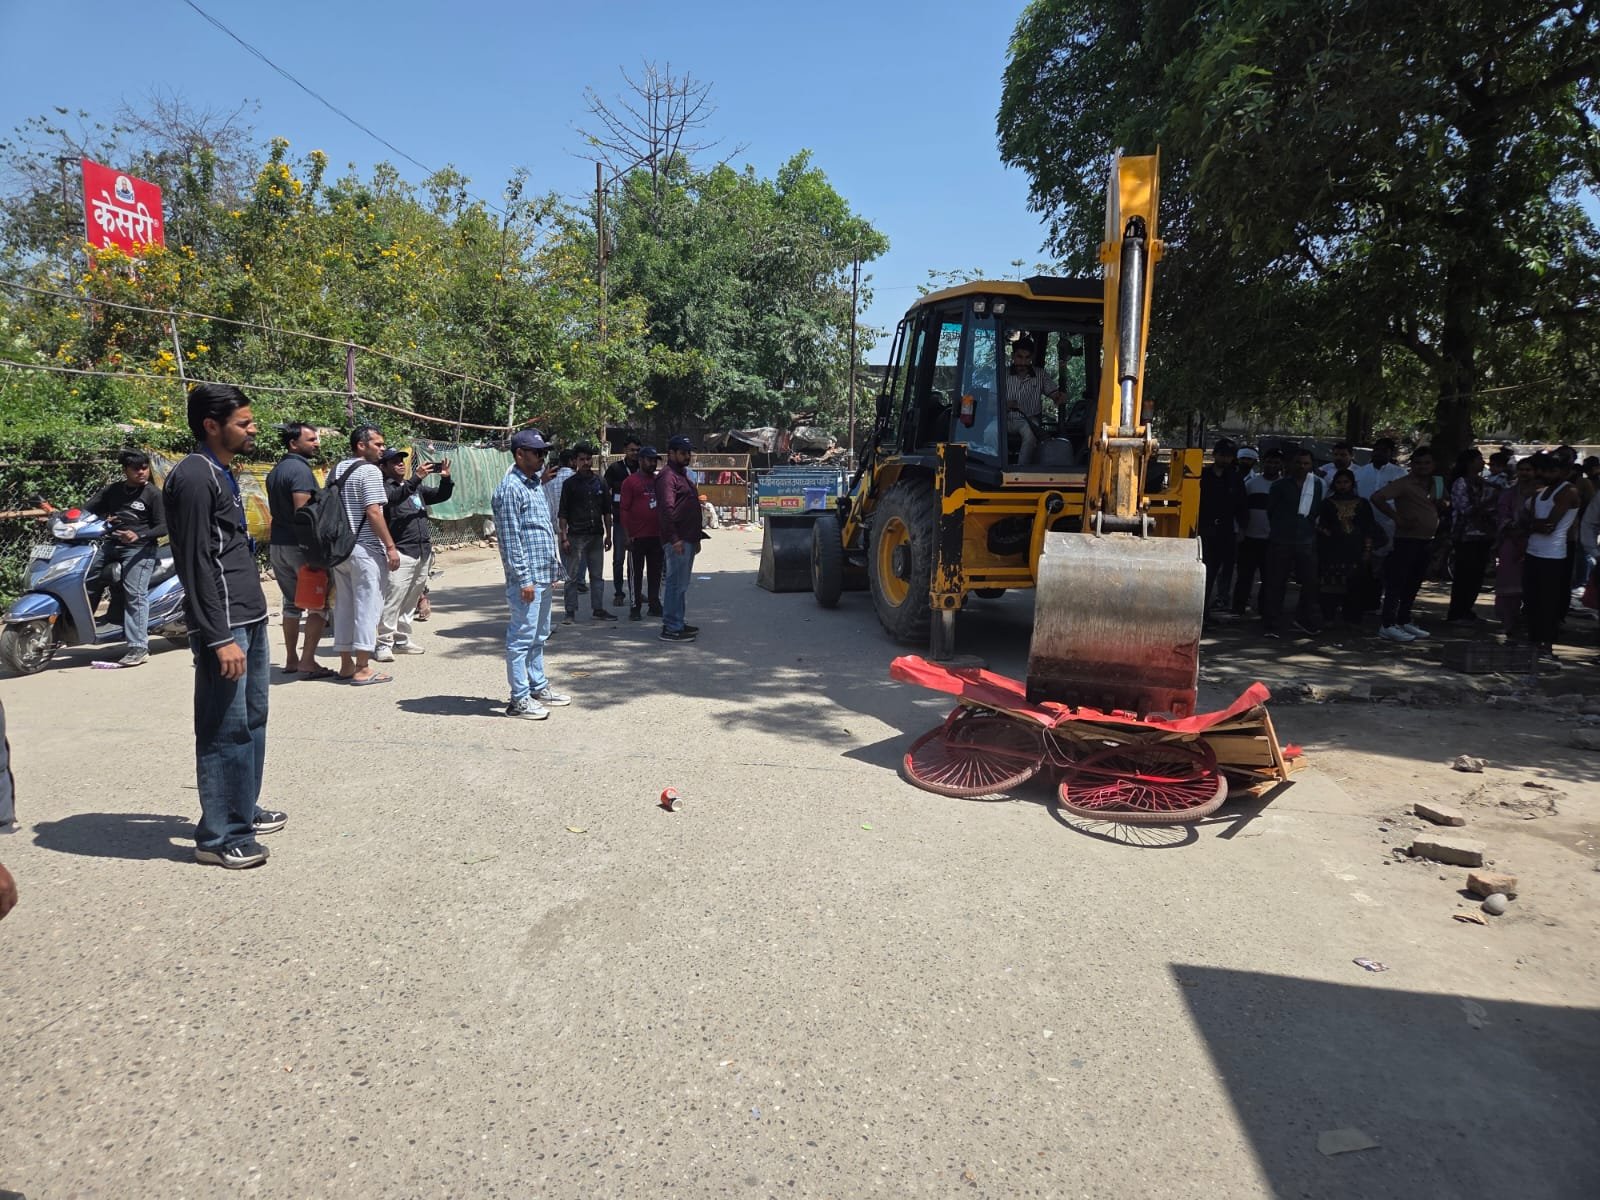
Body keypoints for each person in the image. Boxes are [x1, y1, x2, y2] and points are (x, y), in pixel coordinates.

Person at [162, 383, 286, 869]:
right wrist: (217, 637)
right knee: (224, 729)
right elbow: (196, 562)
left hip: (249, 615)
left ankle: (242, 809)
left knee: (252, 720)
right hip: (225, 625)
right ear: (211, 425)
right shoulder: (195, 477)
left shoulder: (222, 472)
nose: (253, 429)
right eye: (244, 422)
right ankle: (220, 836)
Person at [492, 430, 571, 720]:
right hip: (526, 580)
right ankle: (519, 699)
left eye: (544, 452)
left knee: (539, 635)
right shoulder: (510, 489)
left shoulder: (535, 484)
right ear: (519, 454)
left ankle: (537, 686)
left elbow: (541, 529)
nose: (542, 457)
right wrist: (524, 579)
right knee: (521, 638)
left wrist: (551, 570)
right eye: (537, 452)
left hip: (542, 575)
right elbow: (511, 540)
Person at [329, 425, 402, 685]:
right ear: (362, 445)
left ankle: (346, 665)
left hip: (340, 549)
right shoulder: (370, 471)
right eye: (378, 444)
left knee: (344, 607)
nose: (382, 449)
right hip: (365, 549)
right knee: (368, 608)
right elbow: (373, 512)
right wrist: (390, 547)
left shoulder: (337, 469)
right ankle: (362, 667)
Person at [84, 449, 167, 667]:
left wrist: (139, 535)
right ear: (125, 470)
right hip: (111, 545)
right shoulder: (113, 491)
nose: (142, 472)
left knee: (135, 593)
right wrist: (103, 518)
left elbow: (164, 527)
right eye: (136, 469)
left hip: (140, 548)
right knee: (86, 578)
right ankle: (81, 628)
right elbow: (87, 511)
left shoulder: (153, 494)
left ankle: (139, 647)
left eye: (145, 468)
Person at [263, 421, 333, 678]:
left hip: (279, 545)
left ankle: (292, 659)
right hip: (300, 547)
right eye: (311, 439)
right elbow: (303, 514)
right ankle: (307, 661)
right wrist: (316, 551)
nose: (317, 443)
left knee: (291, 605)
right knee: (318, 605)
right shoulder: (300, 471)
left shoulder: (277, 470)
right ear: (294, 443)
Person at [376, 448, 453, 661]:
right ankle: (383, 643)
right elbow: (393, 499)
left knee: (411, 598)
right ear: (383, 467)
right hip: (401, 552)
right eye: (394, 462)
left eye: (402, 460)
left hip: (422, 551)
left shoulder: (414, 488)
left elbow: (441, 495)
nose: (400, 463)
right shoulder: (384, 488)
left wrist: (446, 478)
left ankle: (401, 640)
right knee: (393, 598)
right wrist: (416, 478)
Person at [1371, 446, 1443, 642]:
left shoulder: (1437, 482)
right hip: (1406, 540)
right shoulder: (1403, 483)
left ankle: (1404, 619)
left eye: (1427, 463)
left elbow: (1441, 502)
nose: (1423, 467)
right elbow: (1377, 497)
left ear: (1433, 465)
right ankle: (1387, 624)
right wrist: (1398, 518)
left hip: (1427, 540)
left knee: (1414, 582)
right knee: (1397, 582)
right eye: (1418, 463)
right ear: (1412, 465)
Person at [1259, 447, 1325, 637]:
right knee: (1276, 582)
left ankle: (1303, 619)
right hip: (1281, 540)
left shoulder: (1317, 484)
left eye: (1306, 463)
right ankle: (1272, 623)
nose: (1301, 466)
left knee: (1310, 583)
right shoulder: (1279, 486)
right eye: (1298, 463)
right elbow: (1271, 511)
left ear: (1311, 465)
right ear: (1290, 464)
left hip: (1307, 541)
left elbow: (1317, 510)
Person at [1523, 452, 1581, 664]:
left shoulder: (1568, 491)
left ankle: (1546, 645)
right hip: (1533, 551)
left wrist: (1532, 525)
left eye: (1553, 471)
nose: (1547, 475)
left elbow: (1548, 526)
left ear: (1564, 472)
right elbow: (1529, 520)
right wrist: (1533, 525)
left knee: (1548, 603)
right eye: (1545, 470)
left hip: (1553, 555)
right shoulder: (1541, 491)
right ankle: (1533, 642)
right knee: (1531, 600)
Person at [558, 444, 618, 625]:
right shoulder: (569, 484)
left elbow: (607, 511)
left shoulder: (600, 482)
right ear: (575, 461)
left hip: (596, 535)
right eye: (582, 459)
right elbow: (563, 513)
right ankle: (570, 612)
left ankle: (598, 609)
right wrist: (564, 537)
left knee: (597, 576)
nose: (586, 462)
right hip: (575, 536)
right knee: (572, 576)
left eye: (588, 459)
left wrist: (609, 535)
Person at [657, 434, 707, 642]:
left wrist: (697, 538)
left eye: (688, 453)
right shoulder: (667, 476)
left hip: (688, 537)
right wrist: (674, 538)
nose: (687, 456)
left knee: (681, 584)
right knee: (675, 584)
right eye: (683, 453)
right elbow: (666, 510)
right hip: (677, 539)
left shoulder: (683, 474)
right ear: (671, 453)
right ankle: (671, 627)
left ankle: (678, 620)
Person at [1316, 468, 1380, 624]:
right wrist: (1328, 534)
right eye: (1339, 482)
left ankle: (1353, 620)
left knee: (1356, 586)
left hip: (1356, 550)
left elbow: (1369, 528)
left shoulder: (1362, 504)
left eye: (1346, 482)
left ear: (1352, 483)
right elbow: (1321, 525)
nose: (1342, 485)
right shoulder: (1327, 504)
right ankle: (1329, 618)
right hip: (1333, 551)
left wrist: (1367, 550)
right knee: (1330, 586)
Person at [1446, 448, 1496, 622]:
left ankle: (1467, 609)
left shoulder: (1483, 483)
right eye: (1479, 459)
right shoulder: (1461, 483)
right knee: (1464, 575)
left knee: (1477, 575)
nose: (1483, 462)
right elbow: (1465, 509)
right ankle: (1457, 611)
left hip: (1483, 535)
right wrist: (1487, 505)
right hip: (1465, 535)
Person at [1232, 448, 1282, 615]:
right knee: (1244, 576)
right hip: (1250, 537)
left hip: (1273, 539)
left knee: (1269, 578)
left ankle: (1264, 610)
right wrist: (1241, 530)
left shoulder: (1284, 485)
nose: (1272, 465)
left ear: (1281, 465)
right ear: (1262, 463)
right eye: (1269, 462)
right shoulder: (1251, 484)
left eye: (1276, 462)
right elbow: (1241, 509)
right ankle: (1238, 609)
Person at [1197, 438, 1245, 612]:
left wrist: (1242, 529)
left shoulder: (1235, 479)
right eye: (1222, 455)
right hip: (1204, 530)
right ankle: (1201, 609)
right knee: (1205, 571)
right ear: (1215, 455)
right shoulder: (1202, 476)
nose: (1225, 459)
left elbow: (1241, 506)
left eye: (1229, 456)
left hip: (1226, 532)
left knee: (1224, 570)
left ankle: (1217, 605)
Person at [620, 445, 665, 620]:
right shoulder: (630, 482)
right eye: (649, 460)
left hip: (656, 535)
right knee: (635, 574)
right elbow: (624, 510)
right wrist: (626, 535)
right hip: (636, 536)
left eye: (655, 460)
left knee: (656, 572)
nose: (653, 463)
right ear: (640, 461)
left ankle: (655, 604)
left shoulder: (659, 481)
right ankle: (635, 606)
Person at [1494, 457, 1538, 636]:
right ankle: (1509, 622)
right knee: (1508, 584)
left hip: (1535, 544)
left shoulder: (1541, 494)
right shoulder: (1509, 493)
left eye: (1528, 469)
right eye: (1522, 469)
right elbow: (1502, 516)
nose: (1525, 473)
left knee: (1533, 586)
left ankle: (1529, 623)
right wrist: (1515, 531)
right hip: (1510, 543)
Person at [1004, 337, 1066, 465]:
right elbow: (991, 404)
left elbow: (1054, 394)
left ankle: (1022, 469)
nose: (1023, 362)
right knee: (990, 431)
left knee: (1031, 431)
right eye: (1019, 357)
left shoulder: (1040, 375)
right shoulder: (1002, 374)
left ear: (1031, 358)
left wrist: (1059, 397)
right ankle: (997, 466)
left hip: (1028, 420)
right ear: (1013, 356)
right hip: (1003, 419)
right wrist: (1005, 405)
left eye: (1027, 358)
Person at [603, 439, 640, 606]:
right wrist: (608, 510)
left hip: (638, 522)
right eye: (632, 450)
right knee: (619, 559)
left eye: (637, 450)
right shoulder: (615, 469)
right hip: (619, 520)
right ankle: (619, 593)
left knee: (636, 559)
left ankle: (635, 591)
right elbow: (605, 489)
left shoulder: (641, 468)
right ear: (625, 450)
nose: (635, 453)